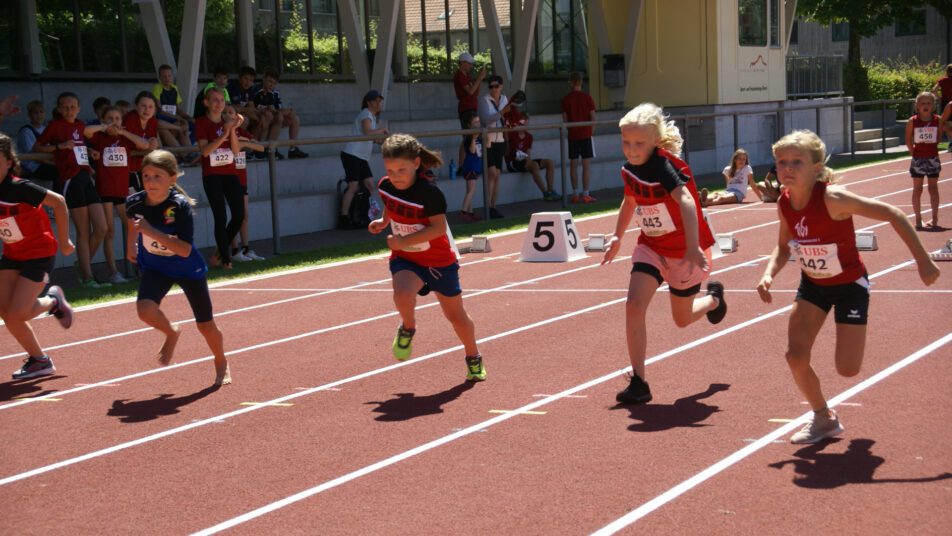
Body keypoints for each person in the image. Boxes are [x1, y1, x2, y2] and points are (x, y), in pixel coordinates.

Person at [756, 129, 940, 444]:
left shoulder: (832, 198)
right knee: (795, 356)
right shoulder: (784, 203)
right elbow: (784, 246)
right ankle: (823, 417)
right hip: (813, 285)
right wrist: (769, 273)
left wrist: (923, 260)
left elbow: (892, 213)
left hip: (849, 285)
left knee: (848, 369)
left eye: (796, 162)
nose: (787, 168)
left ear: (816, 167)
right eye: (781, 162)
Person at [601, 103, 725, 405]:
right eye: (626, 143)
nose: (631, 150)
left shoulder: (664, 167)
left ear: (655, 141)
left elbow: (686, 201)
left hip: (683, 251)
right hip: (652, 247)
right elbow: (629, 201)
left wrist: (694, 245)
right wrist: (617, 236)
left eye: (639, 144)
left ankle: (714, 300)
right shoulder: (630, 168)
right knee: (633, 306)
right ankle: (639, 382)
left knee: (681, 320)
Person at [368, 133, 486, 382]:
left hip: (438, 260)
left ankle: (473, 356)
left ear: (416, 164)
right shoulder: (385, 186)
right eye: (390, 170)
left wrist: (403, 240)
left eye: (402, 169)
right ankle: (408, 327)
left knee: (455, 316)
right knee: (401, 294)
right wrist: (383, 221)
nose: (396, 175)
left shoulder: (429, 193)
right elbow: (392, 203)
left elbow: (438, 229)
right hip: (406, 258)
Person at [125, 149, 231, 386]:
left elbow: (184, 249)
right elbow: (133, 222)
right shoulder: (134, 202)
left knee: (205, 325)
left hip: (186, 268)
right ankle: (171, 332)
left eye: (157, 176)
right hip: (156, 266)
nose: (150, 182)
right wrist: (131, 244)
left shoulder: (179, 206)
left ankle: (221, 360)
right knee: (144, 310)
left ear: (172, 178)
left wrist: (151, 231)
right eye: (146, 176)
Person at [0, 133, 75, 380]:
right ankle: (39, 359)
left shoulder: (19, 187)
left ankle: (52, 305)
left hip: (38, 253)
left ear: (9, 161)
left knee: (15, 314)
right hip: (13, 253)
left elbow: (60, 202)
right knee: (5, 310)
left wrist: (64, 241)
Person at [32, 92, 110, 288]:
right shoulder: (55, 126)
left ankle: (82, 266)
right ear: (59, 109)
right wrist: (59, 146)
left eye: (72, 106)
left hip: (84, 177)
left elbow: (78, 148)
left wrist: (89, 153)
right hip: (69, 179)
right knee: (83, 231)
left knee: (102, 227)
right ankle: (87, 276)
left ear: (79, 108)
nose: (69, 110)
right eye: (65, 107)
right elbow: (37, 147)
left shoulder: (80, 125)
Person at [89, 105, 151, 284]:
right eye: (110, 119)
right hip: (105, 191)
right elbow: (86, 132)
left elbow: (144, 144)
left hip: (122, 190)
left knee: (133, 226)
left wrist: (124, 133)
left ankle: (141, 265)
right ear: (103, 121)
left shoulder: (125, 139)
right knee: (110, 231)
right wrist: (103, 127)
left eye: (117, 119)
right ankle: (113, 272)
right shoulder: (100, 137)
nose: (114, 122)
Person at [195, 87, 244, 268]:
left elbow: (236, 150)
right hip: (212, 175)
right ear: (206, 103)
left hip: (230, 173)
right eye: (214, 100)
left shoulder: (228, 121)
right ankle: (226, 259)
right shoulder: (201, 123)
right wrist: (224, 132)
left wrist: (231, 129)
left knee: (239, 214)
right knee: (220, 216)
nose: (219, 104)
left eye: (221, 100)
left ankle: (218, 252)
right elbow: (205, 151)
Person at [339, 89, 388, 229]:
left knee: (369, 184)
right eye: (377, 101)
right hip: (352, 154)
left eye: (380, 101)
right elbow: (367, 132)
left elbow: (370, 137)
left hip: (361, 156)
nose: (379, 104)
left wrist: (381, 141)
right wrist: (382, 130)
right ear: (369, 102)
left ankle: (363, 213)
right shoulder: (365, 114)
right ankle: (344, 217)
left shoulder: (371, 116)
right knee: (353, 186)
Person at [224, 102, 266, 261]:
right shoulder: (222, 133)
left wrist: (244, 142)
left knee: (244, 215)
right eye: (225, 113)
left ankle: (246, 248)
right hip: (229, 177)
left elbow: (261, 148)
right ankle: (234, 250)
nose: (228, 115)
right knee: (235, 215)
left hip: (242, 177)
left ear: (237, 117)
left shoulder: (241, 132)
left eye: (231, 113)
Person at [478, 75, 513, 219]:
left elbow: (505, 120)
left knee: (497, 175)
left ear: (501, 86)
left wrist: (507, 138)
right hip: (488, 141)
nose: (493, 89)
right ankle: (487, 206)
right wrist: (501, 113)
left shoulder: (504, 99)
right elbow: (486, 120)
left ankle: (493, 207)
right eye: (491, 86)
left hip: (500, 140)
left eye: (496, 86)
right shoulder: (483, 100)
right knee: (491, 173)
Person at [905, 91, 941, 230]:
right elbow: (908, 141)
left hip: (933, 158)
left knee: (933, 188)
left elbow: (938, 138)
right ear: (917, 106)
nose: (925, 106)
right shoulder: (912, 121)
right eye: (922, 103)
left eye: (928, 103)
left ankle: (935, 217)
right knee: (917, 189)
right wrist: (916, 154)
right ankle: (918, 218)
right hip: (918, 159)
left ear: (933, 106)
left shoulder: (937, 120)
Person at [504, 111, 559, 201]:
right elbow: (506, 152)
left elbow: (528, 153)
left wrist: (527, 159)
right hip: (512, 162)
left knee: (549, 162)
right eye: (523, 121)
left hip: (524, 161)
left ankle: (550, 190)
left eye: (526, 122)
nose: (525, 124)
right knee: (534, 165)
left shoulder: (529, 136)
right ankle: (545, 193)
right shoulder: (511, 134)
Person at [253, 70, 308, 159]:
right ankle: (270, 148)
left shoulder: (275, 92)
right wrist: (278, 111)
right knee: (277, 116)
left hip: (272, 117)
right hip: (260, 118)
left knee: (294, 118)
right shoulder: (256, 89)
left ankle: (292, 149)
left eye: (274, 83)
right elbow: (256, 108)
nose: (271, 85)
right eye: (270, 81)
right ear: (264, 79)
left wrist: (286, 111)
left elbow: (276, 109)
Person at [562, 71, 597, 203]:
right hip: (586, 134)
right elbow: (593, 118)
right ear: (581, 82)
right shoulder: (587, 98)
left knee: (573, 165)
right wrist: (590, 132)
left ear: (570, 82)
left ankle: (575, 193)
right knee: (586, 165)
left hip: (573, 135)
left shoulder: (566, 99)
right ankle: (586, 193)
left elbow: (565, 120)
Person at [123, 91, 162, 193]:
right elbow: (124, 151)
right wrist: (145, 150)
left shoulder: (153, 121)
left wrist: (154, 144)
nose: (147, 110)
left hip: (143, 167)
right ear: (136, 106)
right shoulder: (131, 118)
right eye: (143, 106)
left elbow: (150, 147)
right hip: (126, 168)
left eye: (150, 107)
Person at [453, 52, 487, 168]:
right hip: (466, 109)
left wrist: (479, 80)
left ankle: (464, 165)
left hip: (471, 107)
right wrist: (479, 78)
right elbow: (471, 91)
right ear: (462, 63)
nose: (470, 66)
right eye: (469, 64)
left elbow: (475, 92)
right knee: (467, 136)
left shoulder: (466, 77)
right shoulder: (460, 76)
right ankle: (462, 165)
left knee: (469, 136)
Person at [16, 100, 59, 184]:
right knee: (57, 172)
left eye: (41, 112)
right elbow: (33, 155)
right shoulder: (26, 131)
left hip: (46, 161)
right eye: (35, 113)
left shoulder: (46, 129)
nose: (39, 115)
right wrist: (52, 163)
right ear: (30, 115)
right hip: (32, 166)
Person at [151, 64, 193, 149]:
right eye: (164, 76)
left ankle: (189, 151)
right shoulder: (157, 88)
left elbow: (177, 108)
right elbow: (159, 109)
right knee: (178, 123)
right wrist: (177, 118)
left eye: (169, 76)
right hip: (162, 117)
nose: (167, 78)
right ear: (160, 78)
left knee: (186, 123)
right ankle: (179, 152)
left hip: (173, 118)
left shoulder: (175, 88)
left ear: (172, 77)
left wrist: (189, 117)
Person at [229, 66, 270, 147]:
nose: (248, 82)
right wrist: (255, 115)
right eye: (245, 79)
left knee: (263, 119)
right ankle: (238, 147)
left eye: (251, 80)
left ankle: (252, 148)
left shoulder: (249, 89)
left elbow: (251, 107)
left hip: (242, 113)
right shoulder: (233, 88)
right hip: (230, 116)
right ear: (239, 78)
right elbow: (237, 109)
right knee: (245, 120)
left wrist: (261, 117)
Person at [459, 110, 483, 222]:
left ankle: (470, 211)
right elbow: (472, 150)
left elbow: (486, 146)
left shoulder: (479, 136)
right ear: (469, 125)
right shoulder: (469, 137)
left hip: (476, 166)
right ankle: (463, 212)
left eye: (479, 121)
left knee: (470, 190)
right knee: (471, 190)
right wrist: (473, 138)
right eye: (475, 122)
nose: (478, 124)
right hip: (470, 167)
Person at [931, 63, 952, 150]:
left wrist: (939, 97)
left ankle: (951, 142)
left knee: (947, 124)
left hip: (945, 103)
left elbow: (934, 90)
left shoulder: (943, 80)